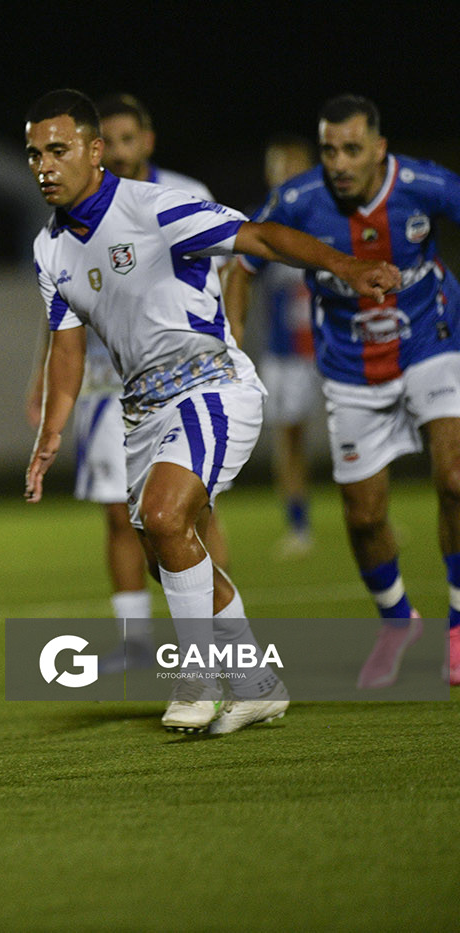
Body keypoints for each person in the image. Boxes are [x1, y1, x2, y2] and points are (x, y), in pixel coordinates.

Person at [22, 89, 400, 732]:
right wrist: (51, 432)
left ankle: (195, 679)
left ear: (93, 151)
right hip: (141, 410)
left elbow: (258, 235)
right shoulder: (50, 248)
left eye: (58, 150)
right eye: (34, 154)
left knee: (168, 517)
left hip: (210, 387)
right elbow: (66, 345)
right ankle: (257, 684)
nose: (44, 166)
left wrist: (346, 266)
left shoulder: (152, 207)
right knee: (169, 545)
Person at [226, 95, 460, 688]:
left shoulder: (424, 183)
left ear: (379, 149)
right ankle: (397, 619)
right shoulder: (300, 200)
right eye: (330, 149)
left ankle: (457, 626)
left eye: (353, 149)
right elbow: (242, 262)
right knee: (363, 515)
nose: (339, 162)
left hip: (431, 343)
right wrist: (228, 343)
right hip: (350, 368)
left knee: (456, 477)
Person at [25, 92, 228, 667]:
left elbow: (233, 269)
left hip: (186, 379)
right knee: (121, 512)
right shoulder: (68, 224)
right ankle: (137, 643)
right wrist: (42, 386)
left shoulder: (179, 198)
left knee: (191, 513)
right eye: (107, 141)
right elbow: (63, 314)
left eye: (124, 139)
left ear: (147, 141)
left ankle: (223, 645)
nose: (115, 150)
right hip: (105, 383)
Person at [223, 135, 322, 558]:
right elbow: (236, 273)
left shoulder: (331, 215)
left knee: (370, 431)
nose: (288, 175)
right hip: (287, 352)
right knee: (290, 439)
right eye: (281, 167)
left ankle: (378, 515)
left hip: (335, 345)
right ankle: (298, 525)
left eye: (295, 166)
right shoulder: (262, 223)